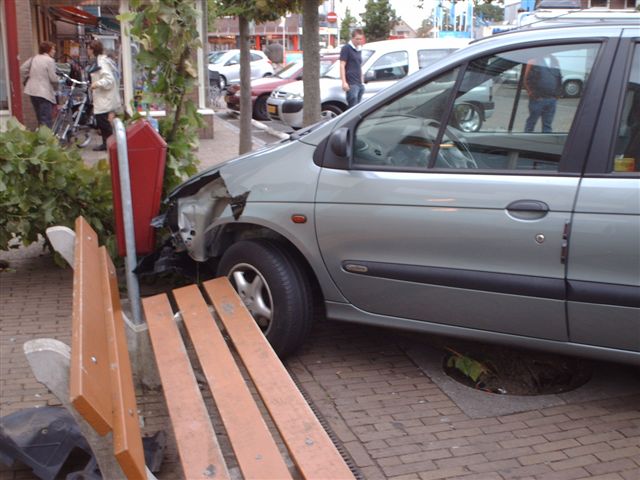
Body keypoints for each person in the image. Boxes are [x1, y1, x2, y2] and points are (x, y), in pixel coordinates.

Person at [88, 39, 121, 151]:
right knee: (102, 120)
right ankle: (107, 143)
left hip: (104, 97)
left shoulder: (101, 62)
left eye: (89, 48)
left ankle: (108, 144)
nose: (87, 50)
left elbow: (109, 79)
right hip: (103, 97)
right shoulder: (101, 60)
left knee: (102, 121)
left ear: (92, 50)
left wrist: (96, 84)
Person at [20, 41, 59, 128]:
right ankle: (46, 139)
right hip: (44, 93)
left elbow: (22, 68)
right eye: (53, 49)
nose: (54, 51)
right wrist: (57, 85)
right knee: (46, 118)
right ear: (48, 50)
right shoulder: (49, 60)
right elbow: (53, 78)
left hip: (32, 91)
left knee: (39, 117)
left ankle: (41, 136)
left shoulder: (34, 58)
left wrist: (29, 77)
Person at [524, 53, 562, 133]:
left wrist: (556, 96)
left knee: (547, 125)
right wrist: (534, 95)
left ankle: (546, 142)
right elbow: (527, 80)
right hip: (538, 100)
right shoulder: (533, 61)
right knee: (531, 122)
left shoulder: (555, 61)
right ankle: (525, 141)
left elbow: (559, 78)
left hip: (552, 100)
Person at [340, 29, 365, 109]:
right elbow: (342, 65)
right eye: (357, 39)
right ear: (352, 38)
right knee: (352, 108)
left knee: (358, 108)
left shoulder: (359, 50)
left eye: (360, 39)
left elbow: (359, 65)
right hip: (351, 83)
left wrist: (362, 81)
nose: (359, 41)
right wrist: (344, 82)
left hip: (359, 83)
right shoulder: (346, 48)